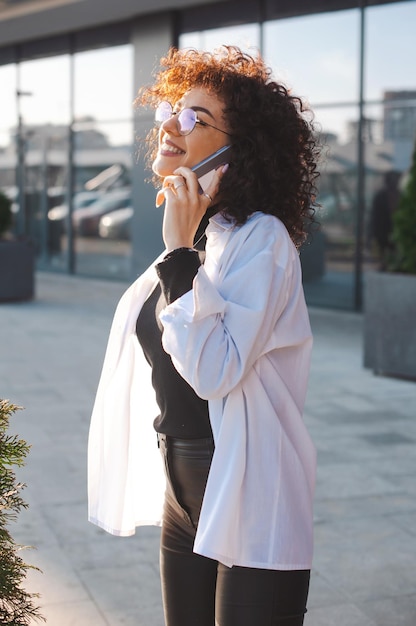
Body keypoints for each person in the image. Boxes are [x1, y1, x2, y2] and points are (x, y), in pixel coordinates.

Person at [88, 45, 320, 626]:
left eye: (195, 117)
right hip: (181, 490)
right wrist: (181, 246)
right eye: (172, 108)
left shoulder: (260, 240)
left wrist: (176, 253)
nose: (170, 122)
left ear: (237, 150)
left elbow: (216, 371)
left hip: (246, 484)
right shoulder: (203, 236)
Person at [369, 170, 401, 270]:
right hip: (382, 233)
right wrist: (373, 235)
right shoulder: (380, 197)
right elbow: (375, 218)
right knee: (384, 256)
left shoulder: (400, 195)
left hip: (397, 232)